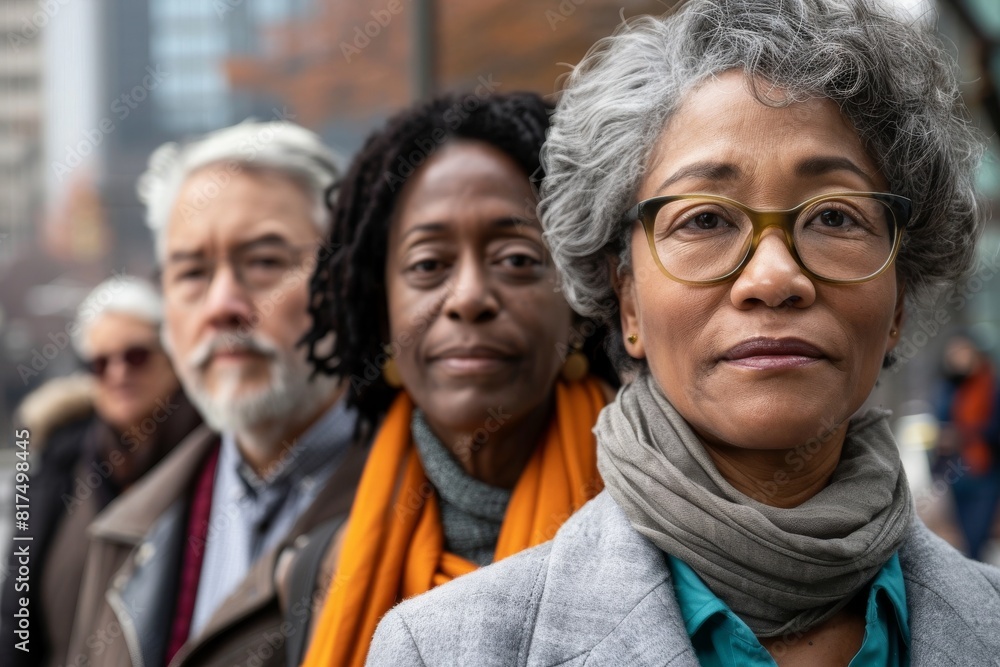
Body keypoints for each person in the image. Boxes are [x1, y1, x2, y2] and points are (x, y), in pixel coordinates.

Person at [366, 1, 1000, 665]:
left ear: (899, 293)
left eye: (836, 217)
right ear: (628, 299)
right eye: (704, 220)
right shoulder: (445, 648)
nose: (775, 276)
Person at [295, 91, 619, 667]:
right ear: (384, 317)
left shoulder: (668, 535)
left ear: (578, 307)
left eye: (517, 259)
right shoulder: (313, 572)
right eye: (428, 265)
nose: (468, 297)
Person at [67, 121, 367, 667]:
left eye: (264, 262)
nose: (223, 304)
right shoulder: (124, 533)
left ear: (345, 278)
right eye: (192, 273)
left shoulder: (433, 507)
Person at [1, 276, 201, 667]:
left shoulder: (210, 459)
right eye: (100, 362)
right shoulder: (56, 464)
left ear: (172, 356)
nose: (118, 372)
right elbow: (15, 618)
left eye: (136, 355)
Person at [934, 331, 1000, 561]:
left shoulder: (991, 386)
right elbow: (939, 425)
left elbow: (994, 428)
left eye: (962, 352)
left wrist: (963, 435)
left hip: (985, 471)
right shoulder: (948, 389)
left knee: (976, 538)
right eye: (953, 353)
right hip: (956, 472)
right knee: (965, 538)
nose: (957, 357)